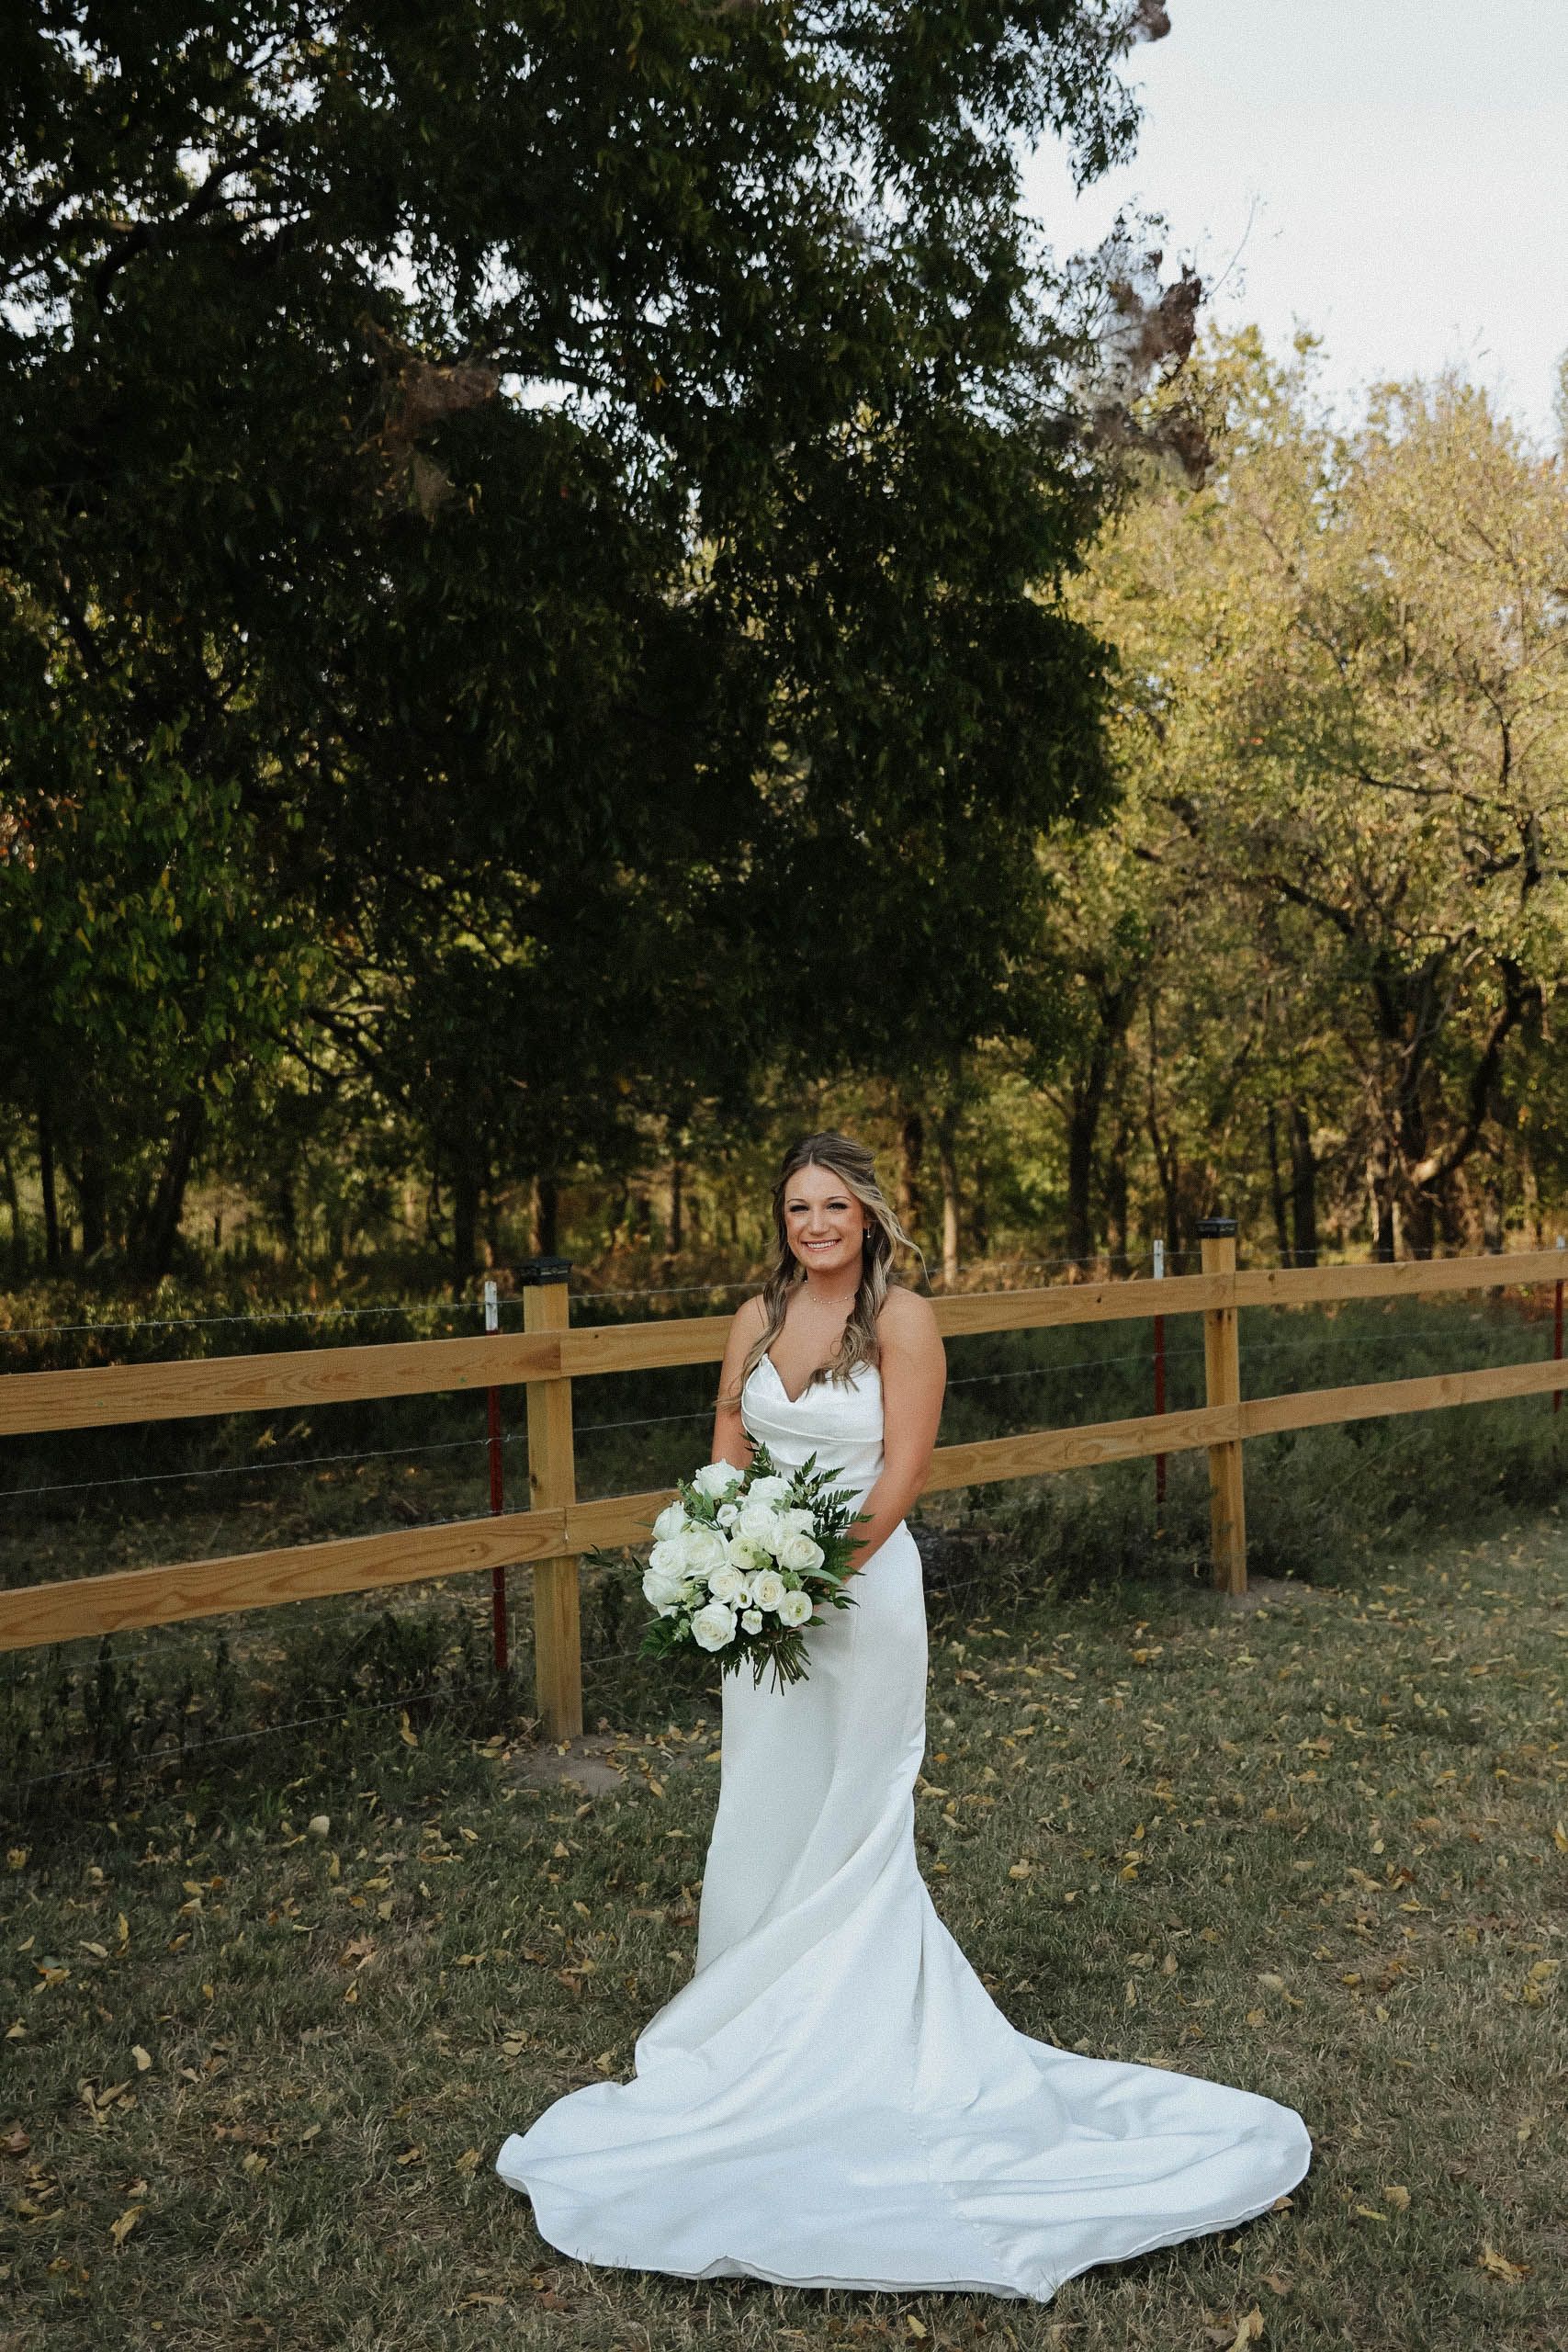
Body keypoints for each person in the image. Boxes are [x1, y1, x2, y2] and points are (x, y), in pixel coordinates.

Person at [495, 1130, 1312, 2301]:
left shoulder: (906, 1322)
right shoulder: (754, 1318)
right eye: (797, 1207)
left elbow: (901, 1474)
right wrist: (732, 1568)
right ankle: (742, 2039)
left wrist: (811, 1571)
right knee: (766, 1807)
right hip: (761, 1615)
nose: (815, 1224)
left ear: (868, 1217)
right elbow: (725, 1455)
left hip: (861, 1600)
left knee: (855, 1818)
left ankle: (858, 2053)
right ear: (780, 1222)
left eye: (834, 1206)